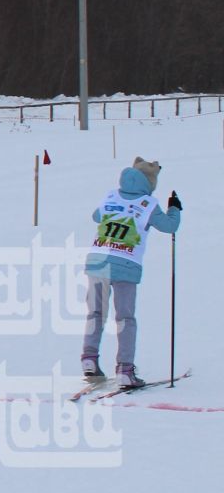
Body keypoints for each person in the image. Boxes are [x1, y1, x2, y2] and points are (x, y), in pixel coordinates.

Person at [81, 157, 182, 387]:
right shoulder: (148, 203)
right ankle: (125, 370)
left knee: (96, 313)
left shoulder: (111, 195)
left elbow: (97, 216)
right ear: (150, 182)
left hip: (98, 261)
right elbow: (170, 227)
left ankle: (89, 359)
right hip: (126, 262)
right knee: (125, 317)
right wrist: (174, 209)